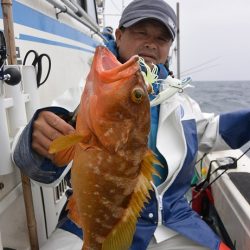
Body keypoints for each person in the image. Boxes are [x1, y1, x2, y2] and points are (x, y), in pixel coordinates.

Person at [12, 0, 250, 249]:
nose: (151, 43)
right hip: (91, 222)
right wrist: (36, 136)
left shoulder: (180, 100)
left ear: (169, 48)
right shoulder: (90, 92)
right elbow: (30, 157)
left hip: (175, 221)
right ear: (119, 34)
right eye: (141, 32)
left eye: (161, 38)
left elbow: (211, 131)